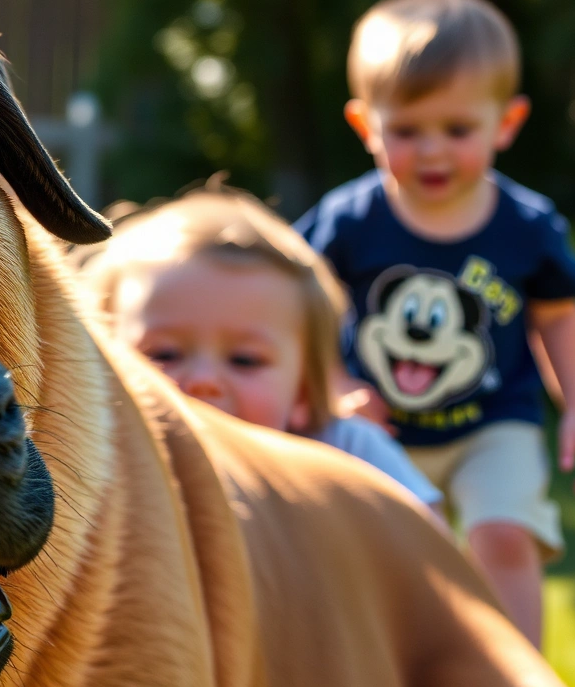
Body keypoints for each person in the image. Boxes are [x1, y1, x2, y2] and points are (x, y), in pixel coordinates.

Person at [295, 0, 575, 650]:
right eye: (407, 131)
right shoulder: (349, 222)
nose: (433, 151)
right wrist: (332, 382)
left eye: (457, 130)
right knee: (377, 560)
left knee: (502, 533)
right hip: (379, 433)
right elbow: (302, 305)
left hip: (494, 425)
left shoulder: (526, 227)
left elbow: (558, 317)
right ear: (365, 125)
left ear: (507, 123)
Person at [77, 185, 449, 527]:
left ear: (303, 391)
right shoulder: (96, 464)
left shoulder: (346, 452)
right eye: (164, 353)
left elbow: (434, 558)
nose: (203, 379)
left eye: (244, 360)